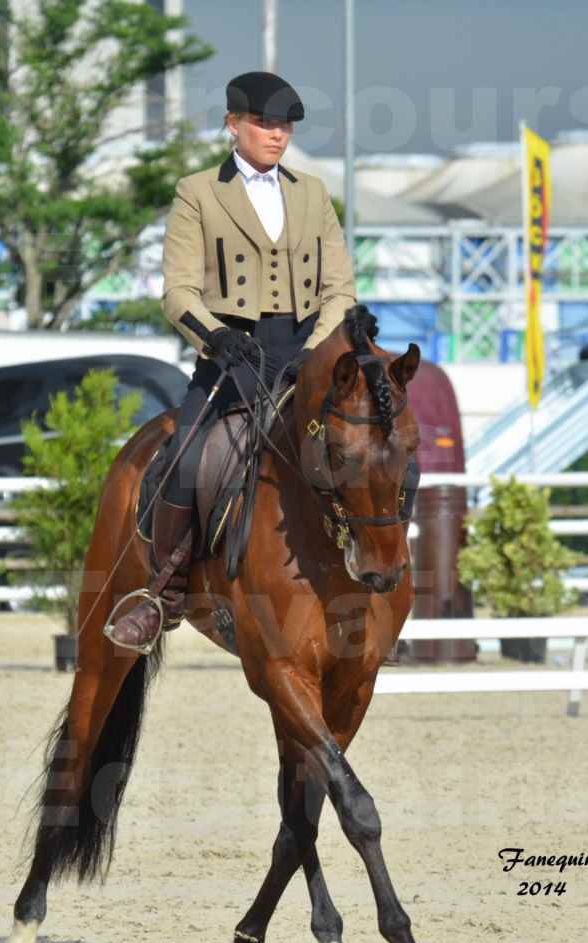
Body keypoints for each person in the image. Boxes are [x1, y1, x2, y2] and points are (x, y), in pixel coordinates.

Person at [108, 71, 357, 652]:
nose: (277, 135)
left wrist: (317, 349)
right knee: (188, 459)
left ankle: (371, 579)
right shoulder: (197, 192)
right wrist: (215, 337)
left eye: (285, 125)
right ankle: (161, 597)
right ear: (233, 124)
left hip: (302, 355)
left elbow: (340, 288)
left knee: (372, 449)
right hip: (230, 357)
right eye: (265, 124)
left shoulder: (312, 193)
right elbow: (178, 291)